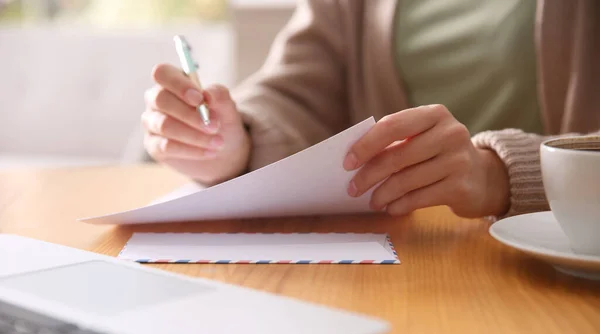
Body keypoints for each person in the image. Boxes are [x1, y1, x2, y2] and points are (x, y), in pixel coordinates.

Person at [141, 0, 599, 219]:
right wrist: (234, 138)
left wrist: (499, 176)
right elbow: (294, 90)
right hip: (409, 269)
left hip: (560, 276)